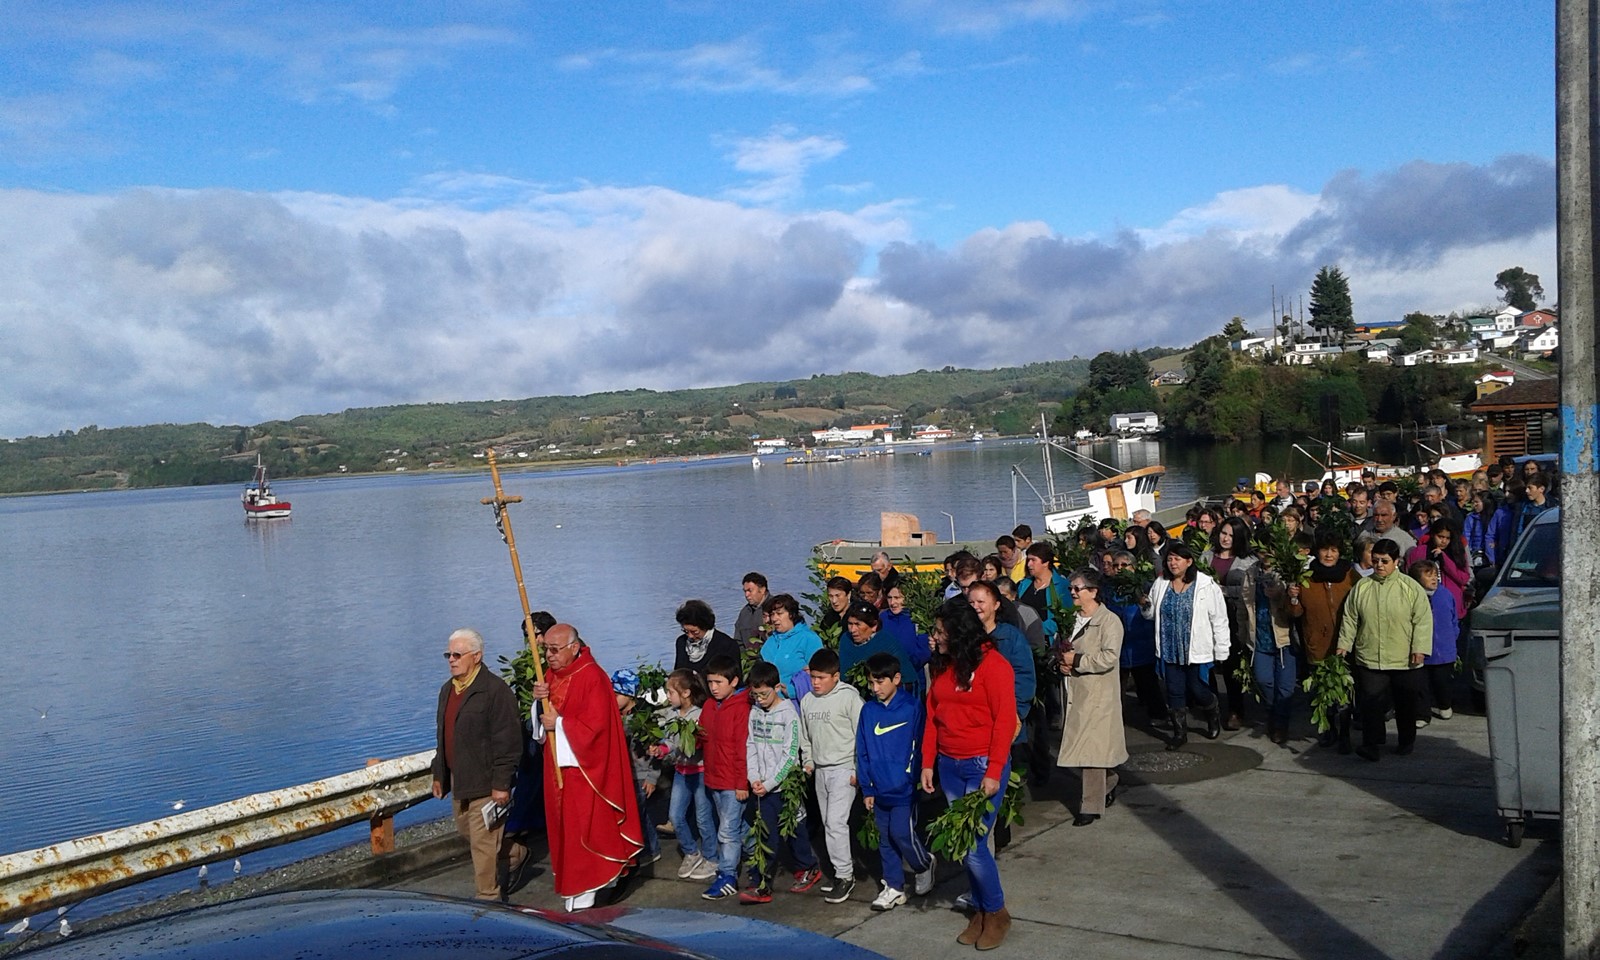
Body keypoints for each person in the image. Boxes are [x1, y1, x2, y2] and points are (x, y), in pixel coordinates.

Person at [920, 596, 1018, 950]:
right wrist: (928, 762)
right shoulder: (944, 666)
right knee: (964, 846)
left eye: (942, 632)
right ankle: (980, 911)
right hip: (949, 765)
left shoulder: (995, 666)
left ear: (959, 633)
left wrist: (993, 771)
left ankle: (996, 912)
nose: (936, 637)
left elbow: (1005, 721)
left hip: (981, 766)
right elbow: (933, 715)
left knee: (975, 845)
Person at [528, 624, 644, 910]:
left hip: (587, 773)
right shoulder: (551, 676)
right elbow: (544, 721)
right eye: (546, 650)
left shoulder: (593, 677)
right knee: (564, 831)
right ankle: (573, 892)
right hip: (557, 769)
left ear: (574, 647)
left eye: (555, 650)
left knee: (587, 831)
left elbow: (598, 728)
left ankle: (588, 890)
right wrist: (538, 701)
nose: (550, 656)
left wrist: (561, 725)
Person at [432, 627, 524, 901]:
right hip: (460, 779)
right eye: (448, 654)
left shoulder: (495, 691)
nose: (451, 659)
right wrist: (439, 775)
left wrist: (501, 784)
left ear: (477, 656)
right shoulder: (447, 690)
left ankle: (488, 900)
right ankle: (517, 853)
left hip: (486, 783)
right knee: (470, 834)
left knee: (482, 847)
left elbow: (509, 742)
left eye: (457, 654)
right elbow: (443, 736)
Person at [1335, 540, 1432, 762]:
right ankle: (1371, 744)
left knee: (1404, 703)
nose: (1379, 565)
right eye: (1376, 560)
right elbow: (1350, 618)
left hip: (1403, 658)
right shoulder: (1362, 586)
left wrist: (1419, 648)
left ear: (1396, 562)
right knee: (1370, 703)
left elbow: (1423, 620)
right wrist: (1344, 645)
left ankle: (1406, 741)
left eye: (1385, 561)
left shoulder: (1410, 587)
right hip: (1370, 656)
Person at [856, 651, 935, 912]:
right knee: (885, 839)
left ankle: (923, 864)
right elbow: (862, 750)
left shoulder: (913, 708)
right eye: (872, 683)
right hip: (878, 789)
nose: (875, 688)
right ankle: (894, 887)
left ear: (897, 679)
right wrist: (867, 787)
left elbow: (921, 745)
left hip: (903, 787)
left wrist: (917, 775)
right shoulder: (868, 711)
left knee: (902, 833)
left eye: (881, 682)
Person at [742, 660, 822, 904]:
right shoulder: (755, 712)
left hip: (786, 786)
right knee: (766, 835)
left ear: (777, 687)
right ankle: (761, 883)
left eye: (764, 694)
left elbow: (790, 756)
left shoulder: (789, 714)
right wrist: (754, 777)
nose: (759, 699)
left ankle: (808, 866)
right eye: (754, 695)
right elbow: (751, 745)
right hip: (762, 785)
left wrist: (770, 783)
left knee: (796, 830)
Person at [1054, 569, 1128, 826]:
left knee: (1091, 753)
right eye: (1071, 588)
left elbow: (1109, 657)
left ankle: (1090, 806)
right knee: (1082, 750)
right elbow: (1061, 649)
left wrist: (1078, 661)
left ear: (1093, 592)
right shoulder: (1071, 619)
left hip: (1098, 695)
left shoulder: (1109, 622)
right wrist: (1062, 664)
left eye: (1078, 588)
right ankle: (1109, 781)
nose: (1073, 592)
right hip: (1075, 692)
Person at [1143, 542, 1230, 749]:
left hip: (1196, 648)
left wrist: (1221, 649)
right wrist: (1145, 606)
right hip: (1169, 648)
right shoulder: (1161, 582)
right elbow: (1150, 614)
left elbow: (1218, 618)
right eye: (1169, 559)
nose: (1172, 563)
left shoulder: (1206, 585)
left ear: (1189, 561)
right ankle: (1179, 733)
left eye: (1177, 559)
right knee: (1174, 691)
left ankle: (1213, 714)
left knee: (1198, 688)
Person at [798, 647, 864, 904]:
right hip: (821, 771)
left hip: (844, 767)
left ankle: (846, 876)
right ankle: (839, 872)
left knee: (836, 823)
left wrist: (858, 769)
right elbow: (805, 736)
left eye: (821, 678)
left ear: (835, 676)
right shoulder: (807, 701)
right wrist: (808, 760)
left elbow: (862, 734)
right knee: (828, 823)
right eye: (813, 677)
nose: (815, 682)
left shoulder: (849, 698)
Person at [1289, 532, 1361, 751]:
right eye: (1324, 550)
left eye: (1334, 550)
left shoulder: (1351, 576)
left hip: (1345, 645)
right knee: (1323, 692)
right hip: (1317, 645)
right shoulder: (1306, 577)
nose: (1329, 555)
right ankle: (1329, 730)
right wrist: (1292, 597)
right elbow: (1296, 613)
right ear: (1316, 552)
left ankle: (1346, 733)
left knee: (1344, 693)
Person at [652, 669, 718, 882]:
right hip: (681, 771)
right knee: (675, 816)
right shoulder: (672, 714)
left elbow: (700, 745)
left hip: (699, 772)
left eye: (671, 692)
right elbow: (670, 742)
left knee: (703, 817)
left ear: (687, 693)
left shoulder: (699, 715)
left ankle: (712, 856)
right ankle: (691, 852)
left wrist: (691, 741)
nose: (668, 696)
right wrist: (661, 750)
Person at [697, 655, 751, 901]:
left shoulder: (741, 708)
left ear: (734, 681)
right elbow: (703, 736)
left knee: (727, 831)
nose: (714, 687)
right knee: (736, 826)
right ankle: (761, 855)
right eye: (710, 682)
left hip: (732, 781)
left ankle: (727, 875)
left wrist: (742, 783)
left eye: (719, 682)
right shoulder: (709, 706)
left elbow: (742, 749)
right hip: (714, 777)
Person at [1205, 516, 1259, 731]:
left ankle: (1235, 710)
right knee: (1207, 664)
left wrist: (1225, 591)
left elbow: (1251, 591)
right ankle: (1212, 707)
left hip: (1233, 618)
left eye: (1231, 535)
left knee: (1231, 666)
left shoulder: (1248, 561)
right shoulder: (1207, 556)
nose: (1226, 539)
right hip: (1208, 618)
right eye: (1224, 533)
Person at [611, 669, 662, 869]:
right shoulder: (616, 715)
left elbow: (656, 749)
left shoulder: (645, 717)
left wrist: (652, 777)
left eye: (616, 694)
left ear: (629, 694)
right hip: (625, 773)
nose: (613, 698)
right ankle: (642, 848)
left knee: (639, 814)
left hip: (641, 773)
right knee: (637, 814)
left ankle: (651, 849)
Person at [1410, 560, 1460, 721]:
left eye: (1435, 575)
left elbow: (1454, 619)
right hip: (1421, 649)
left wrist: (1453, 637)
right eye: (1428, 575)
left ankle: (1444, 704)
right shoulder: (1413, 597)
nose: (1434, 579)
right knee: (1420, 685)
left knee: (1442, 682)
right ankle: (1422, 714)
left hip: (1443, 650)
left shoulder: (1445, 595)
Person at [840, 601, 920, 695]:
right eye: (850, 624)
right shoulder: (846, 640)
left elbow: (908, 680)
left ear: (874, 625)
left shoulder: (886, 643)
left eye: (858, 624)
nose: (852, 630)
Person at [760, 593, 824, 696]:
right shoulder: (769, 642)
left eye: (779, 613)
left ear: (791, 614)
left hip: (796, 701)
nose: (774, 618)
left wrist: (791, 691)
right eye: (772, 614)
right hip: (767, 701)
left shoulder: (809, 639)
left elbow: (821, 676)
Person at [673, 599, 741, 679]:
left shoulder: (727, 645)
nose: (690, 636)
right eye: (686, 631)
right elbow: (678, 672)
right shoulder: (681, 642)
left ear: (705, 626)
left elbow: (734, 678)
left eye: (694, 632)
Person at [733, 573, 770, 651]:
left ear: (762, 590)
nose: (746, 595)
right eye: (745, 591)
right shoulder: (744, 612)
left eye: (750, 591)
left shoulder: (775, 608)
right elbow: (738, 641)